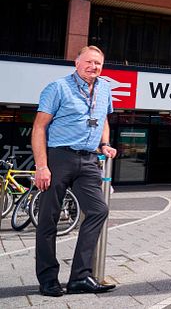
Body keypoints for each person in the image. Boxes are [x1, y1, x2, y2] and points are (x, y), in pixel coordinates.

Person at [31, 46, 118, 297]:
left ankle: (80, 276)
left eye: (98, 63)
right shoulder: (57, 87)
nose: (94, 67)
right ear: (76, 63)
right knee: (49, 218)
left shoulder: (104, 89)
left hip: (89, 159)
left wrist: (105, 144)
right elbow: (39, 127)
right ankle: (48, 278)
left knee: (99, 210)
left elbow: (103, 120)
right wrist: (42, 166)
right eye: (89, 62)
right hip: (59, 156)